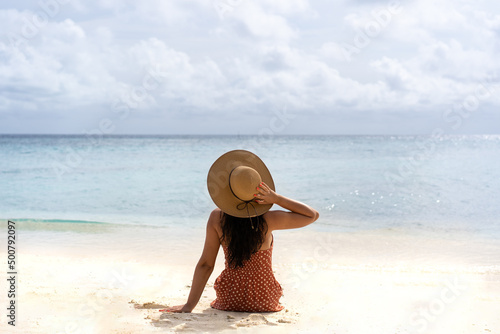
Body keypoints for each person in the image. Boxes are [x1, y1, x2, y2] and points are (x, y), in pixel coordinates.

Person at [161, 150, 319, 313]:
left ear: (228, 191)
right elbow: (312, 215)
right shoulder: (268, 219)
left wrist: (189, 306)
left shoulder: (217, 218)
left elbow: (206, 265)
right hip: (264, 300)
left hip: (229, 299)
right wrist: (277, 198)